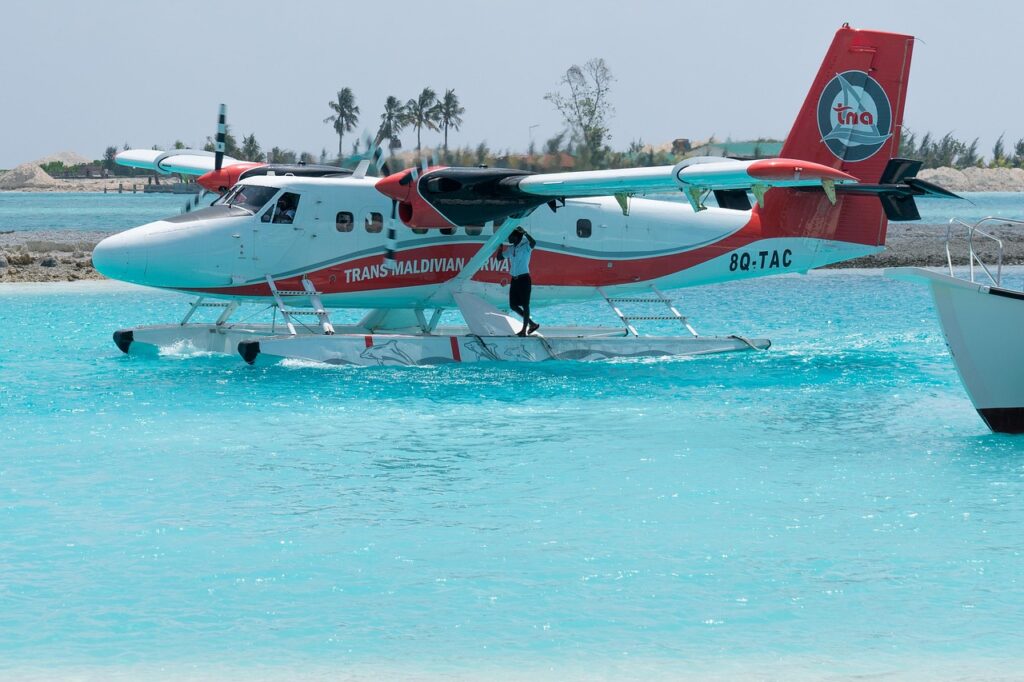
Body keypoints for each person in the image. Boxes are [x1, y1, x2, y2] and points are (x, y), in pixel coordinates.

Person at [496, 226, 540, 336]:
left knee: (525, 305)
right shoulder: (511, 248)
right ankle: (532, 324)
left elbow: (533, 242)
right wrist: (500, 248)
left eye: (510, 236)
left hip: (524, 279)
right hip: (514, 279)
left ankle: (524, 330)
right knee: (513, 305)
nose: (508, 239)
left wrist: (525, 233)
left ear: (515, 237)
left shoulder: (525, 246)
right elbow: (500, 258)